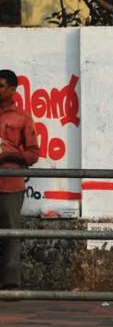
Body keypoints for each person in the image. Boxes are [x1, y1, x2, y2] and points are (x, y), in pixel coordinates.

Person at [0, 69, 40, 291]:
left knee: (11, 233)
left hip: (10, 183)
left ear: (13, 89)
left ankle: (11, 283)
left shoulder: (22, 118)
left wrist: (9, 155)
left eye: (1, 86)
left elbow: (33, 154)